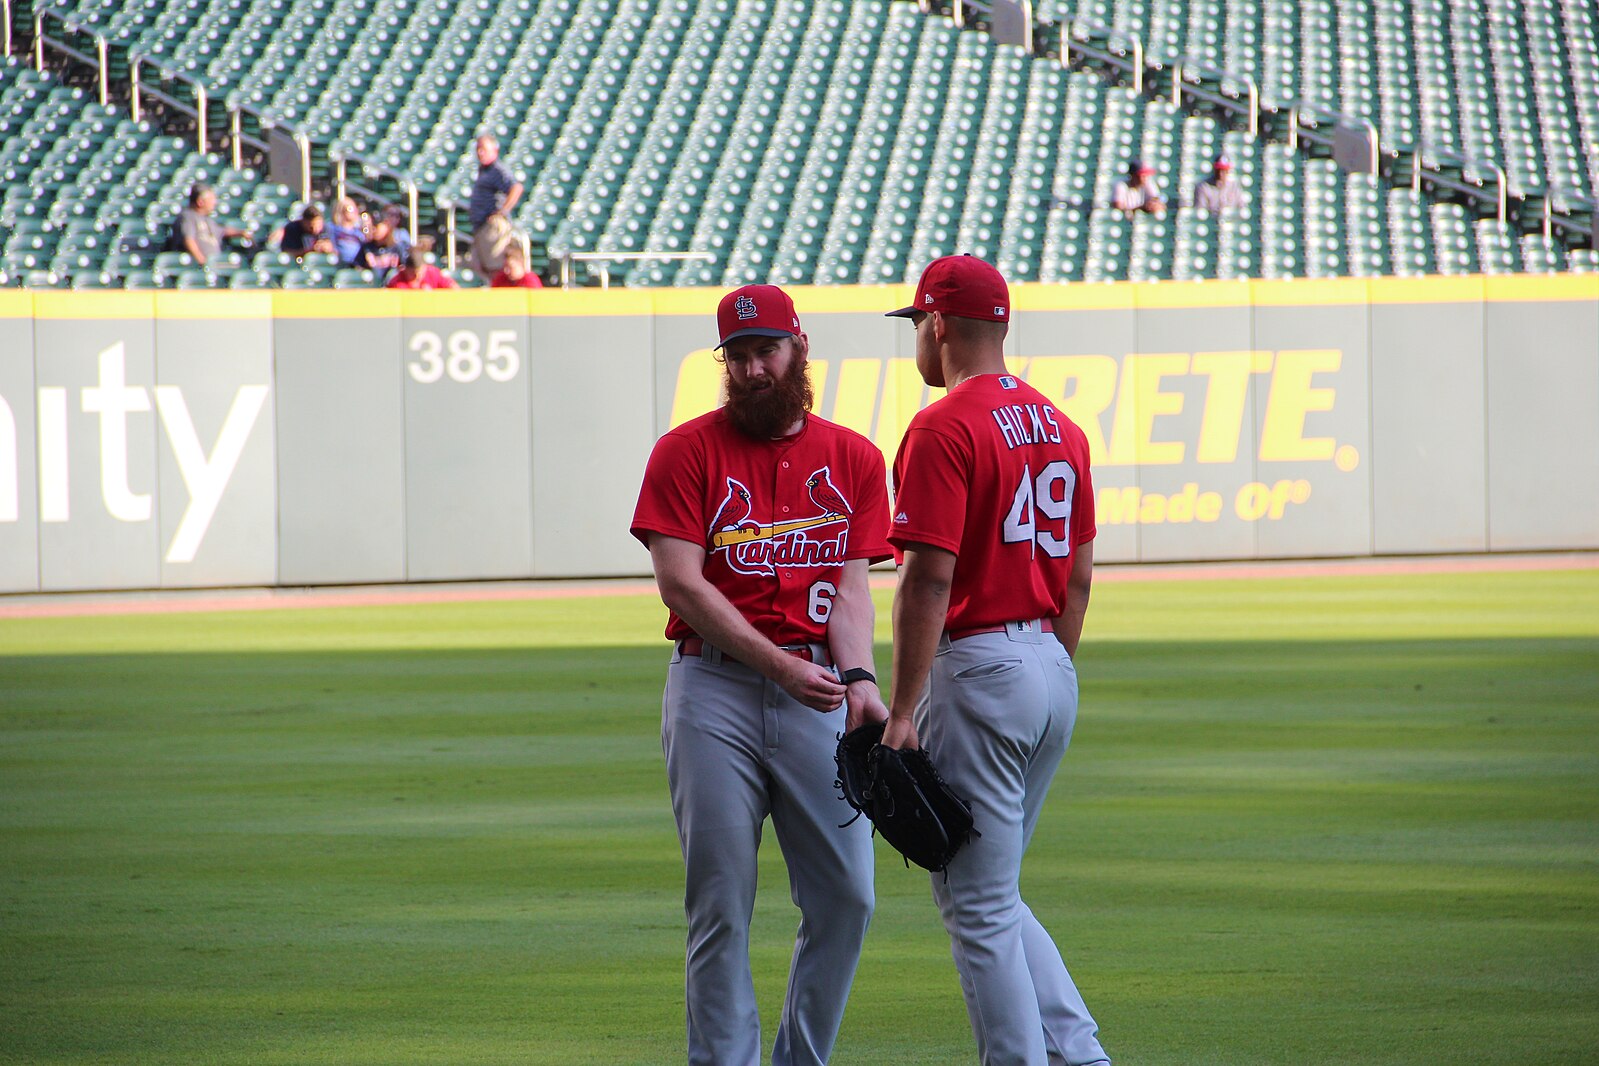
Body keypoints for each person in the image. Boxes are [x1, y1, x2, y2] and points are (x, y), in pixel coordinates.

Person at [630, 284, 890, 1066]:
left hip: (817, 693)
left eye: (764, 351)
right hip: (715, 694)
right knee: (719, 904)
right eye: (736, 357)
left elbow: (849, 591)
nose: (750, 370)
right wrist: (778, 665)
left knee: (848, 897)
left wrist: (861, 681)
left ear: (798, 347)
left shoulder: (853, 457)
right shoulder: (685, 452)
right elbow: (681, 583)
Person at [881, 255, 1110, 1066]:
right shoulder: (1062, 425)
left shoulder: (944, 425)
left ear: (939, 325)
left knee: (974, 907)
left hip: (980, 669)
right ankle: (1077, 1055)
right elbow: (1078, 579)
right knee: (995, 893)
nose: (915, 338)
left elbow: (925, 580)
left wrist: (902, 714)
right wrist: (1046, 668)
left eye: (915, 323)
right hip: (1049, 665)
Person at [170, 183, 250, 266]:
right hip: (199, 267)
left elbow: (221, 231)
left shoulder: (207, 219)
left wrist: (241, 233)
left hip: (213, 264)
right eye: (211, 200)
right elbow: (188, 240)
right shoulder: (188, 217)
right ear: (200, 202)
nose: (214, 203)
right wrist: (202, 261)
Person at [469, 134, 523, 231]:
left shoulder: (497, 170)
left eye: (483, 149)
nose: (480, 152)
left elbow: (516, 188)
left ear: (494, 150)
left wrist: (502, 212)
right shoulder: (484, 169)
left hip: (492, 227)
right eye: (478, 149)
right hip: (482, 226)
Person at [385, 247, 457, 289]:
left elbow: (453, 288)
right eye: (413, 273)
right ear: (405, 270)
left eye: (420, 272)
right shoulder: (397, 282)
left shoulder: (433, 273)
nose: (417, 276)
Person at [327, 196, 368, 267]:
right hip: (339, 263)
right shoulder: (332, 228)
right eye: (350, 209)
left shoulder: (358, 233)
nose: (355, 211)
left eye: (355, 208)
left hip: (357, 265)